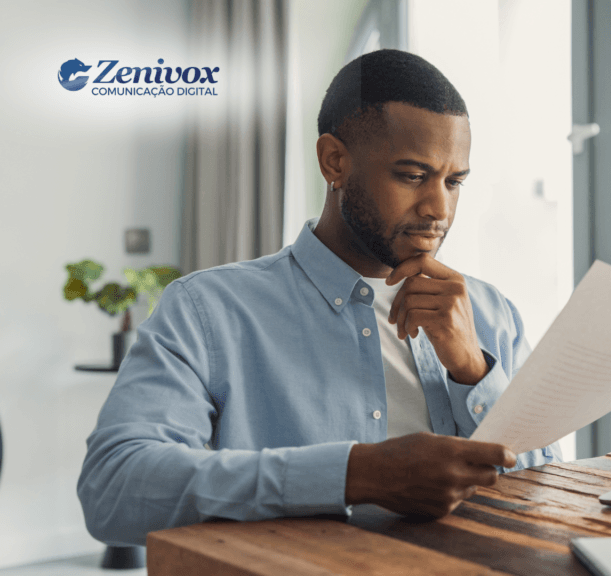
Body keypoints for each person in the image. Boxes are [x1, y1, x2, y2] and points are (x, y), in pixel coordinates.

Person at [78, 49, 561, 547]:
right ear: (335, 161)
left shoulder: (490, 313)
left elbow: (549, 491)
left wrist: (472, 372)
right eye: (413, 176)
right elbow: (114, 488)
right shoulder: (208, 310)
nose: (439, 207)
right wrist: (357, 474)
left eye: (454, 181)